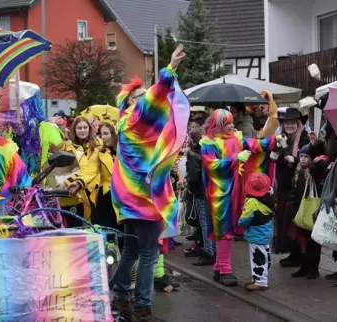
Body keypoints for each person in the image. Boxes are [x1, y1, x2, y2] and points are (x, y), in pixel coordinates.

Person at [111, 44, 189, 322]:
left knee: (131, 250)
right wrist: (170, 69)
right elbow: (154, 98)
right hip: (143, 198)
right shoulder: (135, 117)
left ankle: (120, 296)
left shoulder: (124, 122)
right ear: (131, 102)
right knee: (149, 253)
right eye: (138, 96)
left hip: (127, 197)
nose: (144, 98)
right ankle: (142, 306)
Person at [200, 109, 277, 286]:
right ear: (218, 125)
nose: (232, 126)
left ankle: (219, 268)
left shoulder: (236, 138)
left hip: (236, 189)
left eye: (232, 123)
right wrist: (235, 158)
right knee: (224, 229)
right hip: (219, 192)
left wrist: (273, 140)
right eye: (228, 124)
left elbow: (254, 145)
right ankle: (225, 270)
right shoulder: (208, 143)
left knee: (229, 228)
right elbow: (211, 166)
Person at [272, 108, 310, 265]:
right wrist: (276, 151)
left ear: (299, 124)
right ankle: (293, 254)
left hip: (298, 188)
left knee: (295, 221)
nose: (290, 125)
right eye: (287, 122)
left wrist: (294, 160)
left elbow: (307, 161)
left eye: (293, 122)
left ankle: (300, 256)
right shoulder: (281, 138)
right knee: (286, 221)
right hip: (283, 187)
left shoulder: (305, 139)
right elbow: (273, 159)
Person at [290, 142, 328, 279]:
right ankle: (304, 266)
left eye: (307, 156)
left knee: (314, 242)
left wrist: (314, 145)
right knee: (303, 241)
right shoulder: (298, 171)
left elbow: (321, 164)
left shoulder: (315, 172)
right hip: (301, 210)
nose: (303, 159)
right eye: (301, 156)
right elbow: (294, 192)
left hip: (312, 211)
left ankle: (314, 268)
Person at [238, 172, 274, 291]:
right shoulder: (269, 197)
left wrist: (240, 223)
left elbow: (244, 219)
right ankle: (258, 278)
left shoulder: (252, 202)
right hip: (266, 232)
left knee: (257, 257)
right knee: (265, 255)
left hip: (255, 234)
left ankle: (261, 282)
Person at [187, 128, 216, 266]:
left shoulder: (193, 154)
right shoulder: (210, 150)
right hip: (211, 190)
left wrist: (190, 187)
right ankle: (214, 250)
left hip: (200, 191)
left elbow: (193, 176)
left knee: (204, 222)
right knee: (211, 221)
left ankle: (208, 251)